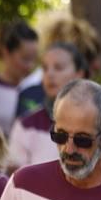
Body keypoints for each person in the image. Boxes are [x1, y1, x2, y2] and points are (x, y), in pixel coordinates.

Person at [8, 42, 88, 170]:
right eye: (45, 68)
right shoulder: (25, 124)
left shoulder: (98, 121)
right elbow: (16, 178)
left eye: (58, 68)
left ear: (79, 74)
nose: (49, 74)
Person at [0, 20, 39, 134]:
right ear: (6, 52)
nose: (30, 66)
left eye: (34, 59)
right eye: (25, 59)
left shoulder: (38, 87)